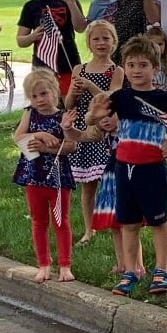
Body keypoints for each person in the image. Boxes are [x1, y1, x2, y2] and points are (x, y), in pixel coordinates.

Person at [105, 35, 167, 298]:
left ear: (155, 69)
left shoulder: (165, 100)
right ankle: (131, 270)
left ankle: (162, 269)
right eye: (131, 65)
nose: (136, 71)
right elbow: (99, 120)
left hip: (152, 169)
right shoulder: (120, 98)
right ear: (124, 69)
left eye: (143, 65)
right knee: (128, 223)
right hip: (123, 167)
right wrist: (95, 112)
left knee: (158, 221)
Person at [12, 69, 76, 284]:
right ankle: (44, 264)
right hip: (33, 175)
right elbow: (18, 136)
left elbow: (71, 146)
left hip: (57, 177)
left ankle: (65, 265)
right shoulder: (30, 113)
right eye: (34, 96)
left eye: (43, 94)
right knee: (39, 221)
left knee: (61, 220)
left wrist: (48, 148)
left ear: (54, 92)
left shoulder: (62, 117)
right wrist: (40, 134)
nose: (39, 99)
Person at [64, 19, 118, 243]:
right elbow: (67, 104)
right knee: (88, 186)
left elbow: (111, 99)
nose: (101, 42)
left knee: (110, 182)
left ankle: (112, 224)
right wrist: (75, 91)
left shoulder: (116, 70)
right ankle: (89, 229)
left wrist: (89, 86)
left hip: (105, 132)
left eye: (106, 38)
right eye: (96, 38)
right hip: (84, 132)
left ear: (113, 41)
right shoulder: (79, 69)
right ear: (88, 42)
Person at [18, 0, 85, 97]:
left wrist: (71, 3)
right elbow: (20, 40)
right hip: (42, 66)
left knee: (71, 107)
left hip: (68, 62)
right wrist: (32, 37)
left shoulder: (72, 2)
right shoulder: (31, 6)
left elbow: (80, 28)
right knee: (44, 107)